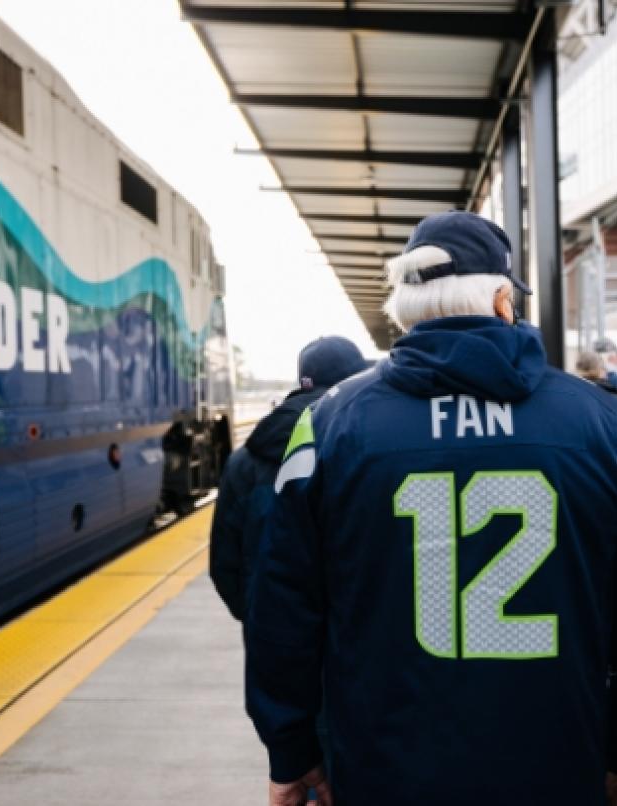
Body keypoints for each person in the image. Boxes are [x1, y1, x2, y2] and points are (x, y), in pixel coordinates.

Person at [245, 211, 617, 806]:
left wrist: (290, 751)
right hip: (559, 761)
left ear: (406, 310)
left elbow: (282, 609)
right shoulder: (599, 421)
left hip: (384, 767)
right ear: (502, 302)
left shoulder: (330, 425)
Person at [210, 335, 368, 622]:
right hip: (353, 637)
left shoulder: (245, 461)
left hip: (272, 634)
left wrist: (258, 616)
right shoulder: (372, 446)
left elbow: (224, 563)